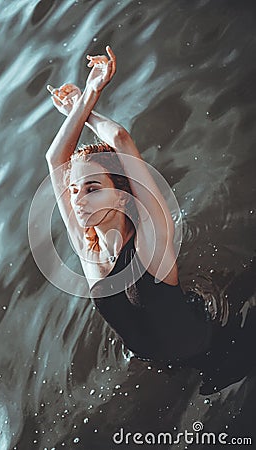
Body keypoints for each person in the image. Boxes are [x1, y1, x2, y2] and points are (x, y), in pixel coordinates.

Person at [45, 46, 255, 395]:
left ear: (122, 193)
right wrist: (75, 110)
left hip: (219, 348)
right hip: (162, 364)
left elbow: (120, 140)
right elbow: (56, 160)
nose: (78, 200)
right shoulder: (87, 249)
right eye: (74, 190)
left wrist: (92, 94)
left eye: (93, 187)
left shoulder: (151, 237)